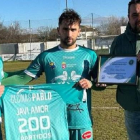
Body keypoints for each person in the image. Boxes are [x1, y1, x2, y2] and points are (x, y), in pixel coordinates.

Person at [1, 9, 99, 140]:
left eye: (73, 30)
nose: (69, 34)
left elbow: (101, 84)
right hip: (54, 120)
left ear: (79, 31)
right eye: (65, 29)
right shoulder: (46, 56)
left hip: (80, 118)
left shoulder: (90, 55)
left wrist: (91, 83)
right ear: (58, 30)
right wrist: (1, 83)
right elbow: (23, 78)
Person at [110, 0, 140, 139]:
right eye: (135, 15)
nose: (138, 18)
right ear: (128, 16)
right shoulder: (119, 42)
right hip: (132, 109)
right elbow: (110, 73)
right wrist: (101, 83)